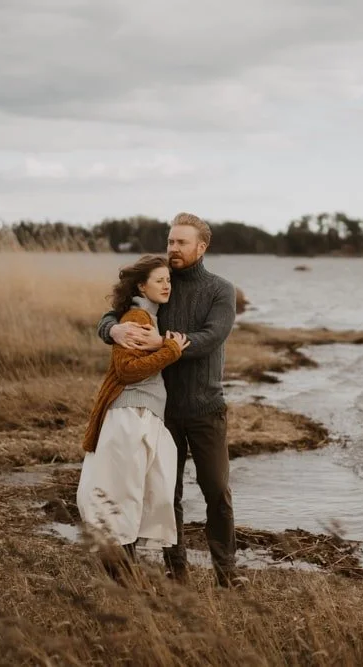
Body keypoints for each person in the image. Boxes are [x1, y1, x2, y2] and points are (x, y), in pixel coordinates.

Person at [97, 212, 239, 587]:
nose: (173, 248)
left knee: (217, 491)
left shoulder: (220, 290)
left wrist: (164, 343)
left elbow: (212, 336)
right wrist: (112, 330)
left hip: (206, 408)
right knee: (165, 494)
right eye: (170, 241)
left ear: (201, 247)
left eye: (181, 242)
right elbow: (113, 312)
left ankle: (227, 575)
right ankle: (178, 574)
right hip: (161, 412)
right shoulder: (161, 281)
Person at [77, 254, 190, 578]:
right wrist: (170, 351)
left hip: (141, 415)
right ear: (141, 286)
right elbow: (127, 370)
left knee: (134, 494)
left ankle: (124, 575)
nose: (167, 285)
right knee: (125, 495)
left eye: (168, 280)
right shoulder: (138, 317)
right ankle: (122, 577)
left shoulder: (148, 315)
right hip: (130, 416)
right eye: (159, 280)